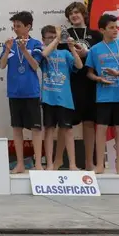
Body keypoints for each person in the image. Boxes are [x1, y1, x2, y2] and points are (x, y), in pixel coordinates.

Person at [85, 13, 119, 175]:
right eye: (111, 28)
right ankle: (100, 164)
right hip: (103, 96)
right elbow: (89, 72)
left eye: (116, 27)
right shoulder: (95, 50)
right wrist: (99, 78)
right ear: (102, 30)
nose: (115, 30)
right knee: (101, 129)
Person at [57, 2, 103, 170]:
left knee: (89, 122)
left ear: (84, 14)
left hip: (90, 81)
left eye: (77, 12)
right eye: (70, 13)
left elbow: (102, 55)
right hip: (70, 82)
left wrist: (87, 53)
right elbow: (59, 56)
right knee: (65, 122)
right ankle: (59, 161)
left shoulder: (95, 35)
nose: (74, 15)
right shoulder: (65, 34)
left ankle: (89, 162)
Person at [0, 11, 44, 173]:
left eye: (18, 26)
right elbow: (2, 65)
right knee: (17, 129)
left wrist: (25, 51)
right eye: (14, 26)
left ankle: (38, 163)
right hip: (14, 93)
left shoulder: (36, 44)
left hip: (31, 93)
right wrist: (7, 51)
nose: (15, 29)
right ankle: (20, 164)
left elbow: (35, 66)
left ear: (28, 27)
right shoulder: (9, 43)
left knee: (36, 129)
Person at [41, 26, 83, 170]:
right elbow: (44, 53)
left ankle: (72, 164)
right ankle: (50, 165)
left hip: (65, 98)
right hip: (48, 97)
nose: (53, 40)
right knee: (49, 130)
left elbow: (79, 65)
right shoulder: (44, 53)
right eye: (49, 38)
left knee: (68, 130)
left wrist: (72, 48)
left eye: (55, 37)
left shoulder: (64, 53)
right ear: (43, 40)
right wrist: (58, 39)